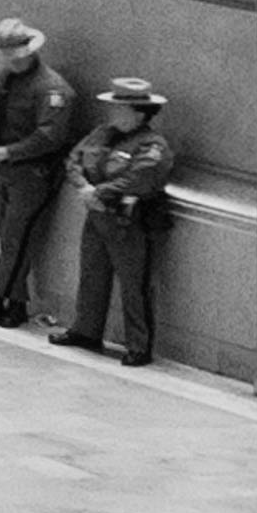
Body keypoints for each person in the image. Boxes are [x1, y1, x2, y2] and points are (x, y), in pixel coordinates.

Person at [0, 20, 71, 324]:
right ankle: (16, 302)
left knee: (17, 237)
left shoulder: (51, 88)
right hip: (1, 169)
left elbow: (50, 136)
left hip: (32, 172)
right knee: (11, 239)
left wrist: (7, 151)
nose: (11, 62)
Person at [59, 81, 180, 359]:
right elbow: (75, 159)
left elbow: (141, 177)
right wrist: (83, 187)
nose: (113, 114)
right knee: (92, 274)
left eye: (120, 109)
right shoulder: (102, 134)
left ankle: (138, 345)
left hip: (128, 222)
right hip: (97, 214)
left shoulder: (152, 145)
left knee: (133, 284)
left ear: (139, 113)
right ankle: (86, 330)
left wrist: (100, 191)